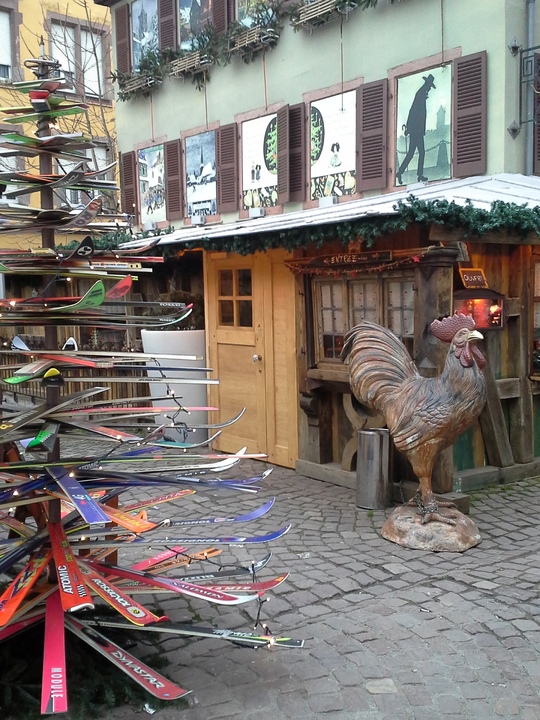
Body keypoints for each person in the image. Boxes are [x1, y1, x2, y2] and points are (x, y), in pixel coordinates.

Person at [396, 73, 435, 185]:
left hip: (416, 130)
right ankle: (418, 174)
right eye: (429, 87)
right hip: (416, 130)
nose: (429, 89)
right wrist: (409, 128)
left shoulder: (421, 94)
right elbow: (413, 112)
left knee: (412, 153)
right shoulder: (420, 95)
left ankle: (402, 172)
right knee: (420, 152)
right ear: (427, 85)